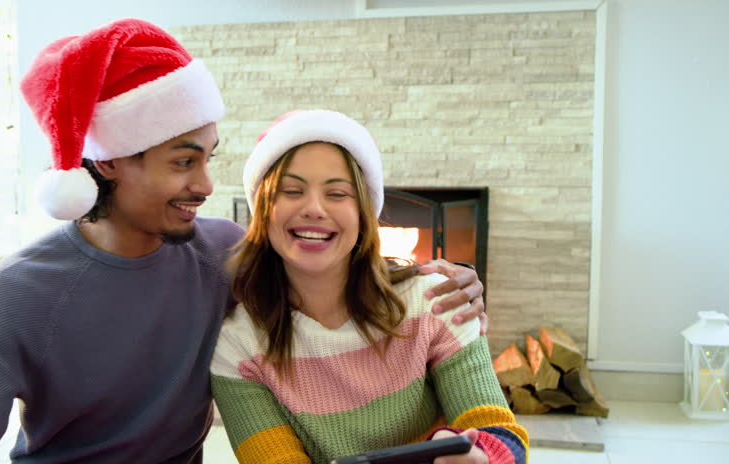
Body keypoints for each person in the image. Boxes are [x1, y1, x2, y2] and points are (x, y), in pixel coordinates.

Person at [0, 20, 487, 463]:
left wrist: (447, 276)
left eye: (208, 158)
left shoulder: (221, 254)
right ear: (110, 161)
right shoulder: (18, 294)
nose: (206, 185)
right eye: (184, 162)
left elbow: (329, 266)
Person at [210, 110, 527, 464]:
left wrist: (482, 457)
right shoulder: (237, 346)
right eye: (292, 190)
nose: (314, 208)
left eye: (337, 193)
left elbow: (500, 433)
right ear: (263, 211)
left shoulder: (437, 303)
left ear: (364, 215)